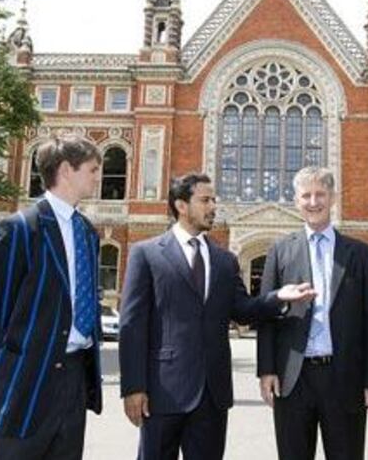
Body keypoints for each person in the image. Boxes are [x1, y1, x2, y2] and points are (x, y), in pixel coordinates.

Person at [118, 172, 316, 460]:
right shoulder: (146, 254)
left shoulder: (225, 260)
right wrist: (133, 387)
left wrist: (278, 298)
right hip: (162, 392)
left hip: (213, 395)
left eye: (214, 200)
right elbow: (132, 325)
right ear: (181, 206)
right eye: (205, 200)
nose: (213, 207)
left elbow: (242, 310)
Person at [0, 134, 104, 460]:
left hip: (74, 379)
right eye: (92, 169)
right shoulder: (17, 229)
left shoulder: (87, 233)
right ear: (66, 171)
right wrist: (6, 371)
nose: (99, 177)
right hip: (23, 383)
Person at [257, 166, 368, 460]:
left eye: (320, 195)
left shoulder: (361, 254)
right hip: (294, 379)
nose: (313, 202)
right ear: (296, 201)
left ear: (333, 198)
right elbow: (267, 315)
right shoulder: (280, 251)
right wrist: (267, 370)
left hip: (344, 378)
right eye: (306, 196)